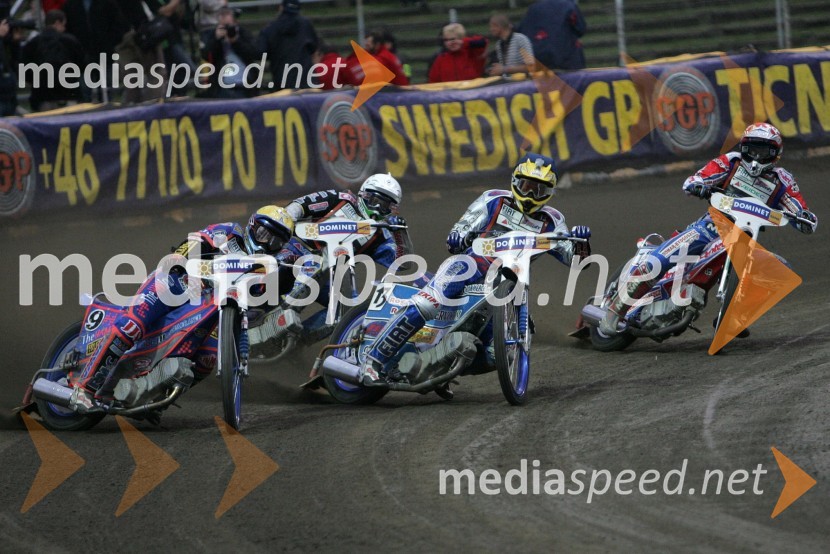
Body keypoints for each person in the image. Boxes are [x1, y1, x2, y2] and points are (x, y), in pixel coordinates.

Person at [359, 154, 592, 385]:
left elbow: (576, 260)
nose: (531, 194)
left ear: (549, 193)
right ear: (515, 181)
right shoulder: (493, 199)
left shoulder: (553, 219)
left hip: (510, 284)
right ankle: (373, 361)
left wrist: (581, 242)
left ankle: (439, 370)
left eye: (539, 190)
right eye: (527, 186)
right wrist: (459, 236)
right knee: (427, 303)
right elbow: (457, 236)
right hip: (470, 265)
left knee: (498, 352)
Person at [599, 122, 818, 337]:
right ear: (743, 148)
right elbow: (697, 178)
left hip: (746, 237)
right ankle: (613, 313)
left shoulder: (783, 180)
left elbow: (799, 209)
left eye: (763, 151)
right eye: (752, 149)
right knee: (656, 262)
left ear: (774, 154)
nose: (756, 157)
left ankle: (735, 316)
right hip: (709, 228)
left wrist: (804, 217)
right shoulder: (731, 162)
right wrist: (698, 184)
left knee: (780, 269)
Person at [69, 206, 296, 413]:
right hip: (178, 281)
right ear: (253, 227)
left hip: (211, 307)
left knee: (208, 359)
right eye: (265, 235)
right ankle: (83, 387)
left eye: (276, 241)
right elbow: (194, 242)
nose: (268, 243)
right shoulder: (229, 232)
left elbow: (271, 295)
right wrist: (184, 260)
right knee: (131, 325)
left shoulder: (271, 265)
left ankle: (153, 399)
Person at [249, 174, 425, 350]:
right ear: (364, 194)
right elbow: (299, 206)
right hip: (296, 251)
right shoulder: (341, 199)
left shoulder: (380, 235)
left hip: (329, 274)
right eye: (375, 200)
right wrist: (283, 228)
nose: (378, 208)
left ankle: (296, 343)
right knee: (279, 272)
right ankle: (250, 305)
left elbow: (403, 264)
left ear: (392, 209)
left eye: (385, 205)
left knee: (345, 310)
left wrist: (400, 234)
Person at [21, 9, 85, 112]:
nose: (64, 28)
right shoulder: (70, 41)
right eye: (64, 25)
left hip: (42, 96)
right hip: (69, 93)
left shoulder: (32, 44)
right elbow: (81, 66)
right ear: (58, 23)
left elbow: (26, 72)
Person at [258, 0, 319, 91]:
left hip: (282, 83)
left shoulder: (270, 29)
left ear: (281, 8)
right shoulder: (306, 25)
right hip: (307, 83)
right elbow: (314, 50)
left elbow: (259, 52)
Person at [199, 6, 259, 98]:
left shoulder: (243, 33)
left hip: (244, 86)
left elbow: (253, 53)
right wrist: (216, 39)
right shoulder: (212, 35)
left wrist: (235, 41)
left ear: (235, 21)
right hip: (221, 88)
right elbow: (206, 55)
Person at [518, 0, 587, 71]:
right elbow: (581, 29)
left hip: (539, 58)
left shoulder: (533, 8)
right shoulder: (569, 6)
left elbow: (522, 31)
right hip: (566, 58)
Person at [487, 13, 534, 77]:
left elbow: (531, 66)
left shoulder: (520, 39)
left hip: (524, 82)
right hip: (509, 84)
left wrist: (505, 69)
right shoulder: (499, 44)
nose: (491, 29)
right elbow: (504, 70)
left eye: (492, 26)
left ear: (499, 26)